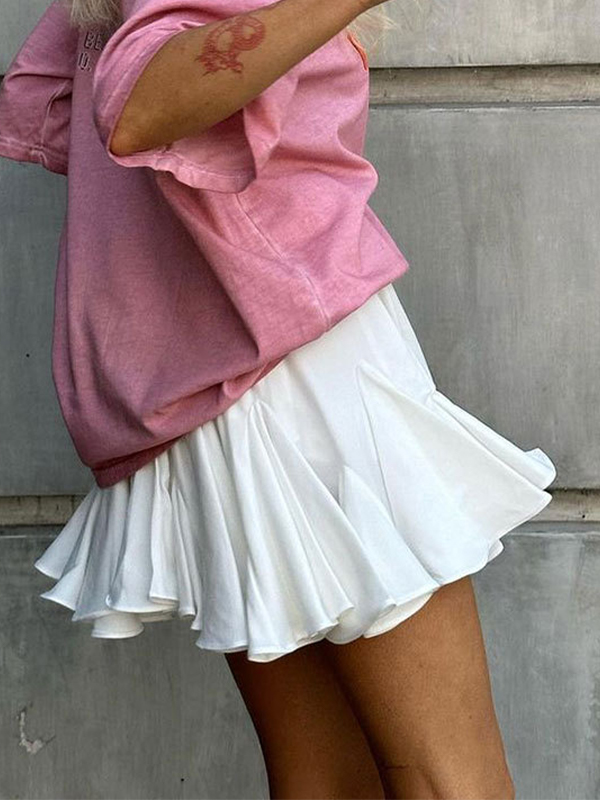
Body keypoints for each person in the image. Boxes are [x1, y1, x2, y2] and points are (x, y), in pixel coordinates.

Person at [0, 0, 557, 796]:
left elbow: (52, 100)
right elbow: (139, 105)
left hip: (203, 382)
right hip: (302, 379)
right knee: (451, 780)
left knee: (326, 781)